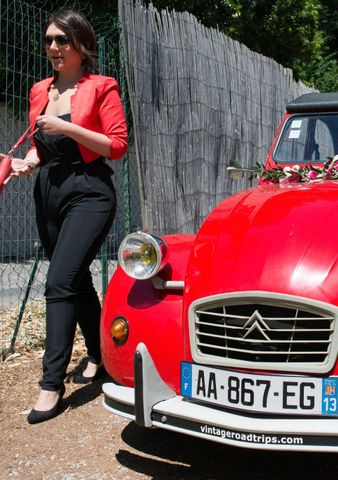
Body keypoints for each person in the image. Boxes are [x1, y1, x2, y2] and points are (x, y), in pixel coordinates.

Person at [2, 9, 127, 424]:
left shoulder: (102, 87)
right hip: (49, 191)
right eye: (49, 40)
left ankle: (50, 385)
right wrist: (29, 162)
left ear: (81, 45)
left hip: (90, 191)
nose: (53, 47)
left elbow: (116, 145)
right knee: (77, 280)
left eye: (62, 40)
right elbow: (44, 143)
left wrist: (68, 127)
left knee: (58, 281)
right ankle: (99, 356)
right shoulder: (39, 89)